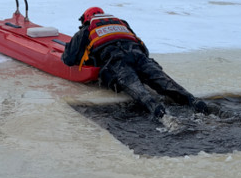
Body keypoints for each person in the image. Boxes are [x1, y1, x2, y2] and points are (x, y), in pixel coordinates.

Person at [62, 7, 220, 119]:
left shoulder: (87, 29)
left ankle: (158, 111)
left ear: (86, 19)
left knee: (137, 90)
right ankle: (194, 102)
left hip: (117, 61)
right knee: (165, 83)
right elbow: (144, 48)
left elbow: (68, 59)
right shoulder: (121, 23)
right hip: (139, 56)